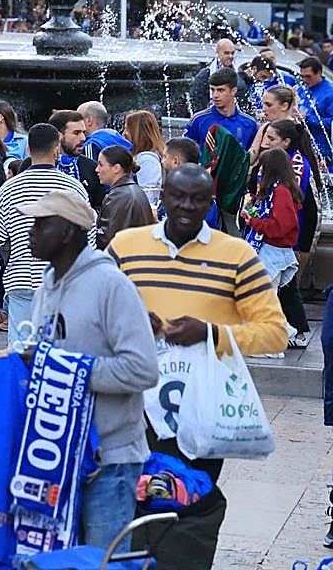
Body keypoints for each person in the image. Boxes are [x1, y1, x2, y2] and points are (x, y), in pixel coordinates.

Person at [107, 164, 288, 479]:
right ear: (163, 197)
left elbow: (275, 334)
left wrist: (210, 333)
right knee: (130, 509)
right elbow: (97, 311)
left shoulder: (237, 256)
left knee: (190, 510)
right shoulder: (125, 246)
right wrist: (129, 324)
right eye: (178, 196)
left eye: (198, 199)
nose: (187, 206)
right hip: (131, 408)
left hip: (202, 410)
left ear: (210, 202)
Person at [21, 189, 159, 550]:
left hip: (110, 461)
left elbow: (143, 369)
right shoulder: (47, 285)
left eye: (41, 224)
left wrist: (68, 371)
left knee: (102, 560)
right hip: (58, 455)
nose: (31, 231)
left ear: (67, 232)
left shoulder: (111, 285)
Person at [0, 123, 94, 347]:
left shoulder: (9, 189)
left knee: (20, 347)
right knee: (60, 345)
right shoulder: (73, 188)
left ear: (28, 150)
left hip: (21, 277)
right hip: (63, 280)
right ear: (57, 150)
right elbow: (88, 240)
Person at [257, 119, 320, 347]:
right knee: (280, 290)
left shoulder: (292, 166)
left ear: (286, 141)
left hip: (282, 242)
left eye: (271, 138)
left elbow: (286, 214)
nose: (266, 142)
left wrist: (255, 221)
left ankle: (293, 332)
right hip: (280, 241)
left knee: (273, 292)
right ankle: (293, 330)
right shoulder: (279, 161)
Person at [241, 147, 301, 305]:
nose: (260, 171)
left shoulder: (281, 192)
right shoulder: (277, 190)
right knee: (264, 300)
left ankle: (286, 330)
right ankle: (284, 329)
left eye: (262, 167)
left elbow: (281, 226)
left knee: (264, 301)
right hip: (270, 249)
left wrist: (254, 222)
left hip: (273, 250)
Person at [27, 109, 104, 209]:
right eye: (76, 133)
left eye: (84, 132)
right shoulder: (31, 164)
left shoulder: (91, 167)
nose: (83, 138)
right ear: (59, 136)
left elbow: (100, 206)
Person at [95, 145, 156, 250]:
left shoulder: (117, 196)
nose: (97, 169)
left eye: (101, 165)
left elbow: (107, 239)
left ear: (116, 168)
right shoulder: (137, 191)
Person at [184, 67, 258, 151]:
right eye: (213, 90)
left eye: (220, 90)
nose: (215, 95)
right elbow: (186, 153)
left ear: (233, 91)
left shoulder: (249, 124)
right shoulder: (198, 120)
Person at [188, 37, 246, 110]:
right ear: (218, 53)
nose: (230, 56)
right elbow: (196, 98)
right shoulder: (205, 74)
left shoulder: (238, 74)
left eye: (232, 53)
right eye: (226, 53)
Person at [123, 109, 166, 205]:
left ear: (138, 133)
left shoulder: (147, 160)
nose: (124, 133)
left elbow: (148, 196)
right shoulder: (144, 157)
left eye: (127, 129)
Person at [295, 55, 333, 160]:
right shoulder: (302, 89)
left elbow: (331, 123)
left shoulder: (329, 94)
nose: (304, 80)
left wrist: (308, 118)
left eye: (308, 76)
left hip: (322, 152)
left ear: (319, 73)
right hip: (303, 146)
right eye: (302, 76)